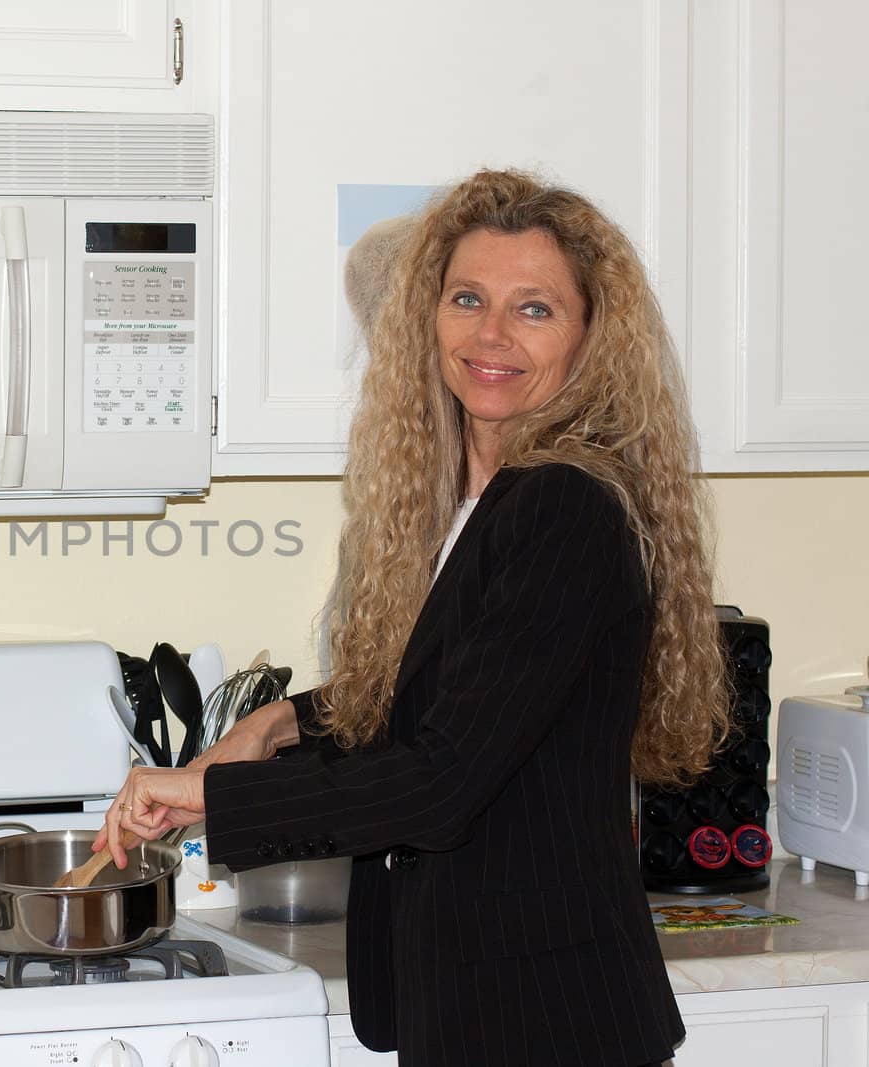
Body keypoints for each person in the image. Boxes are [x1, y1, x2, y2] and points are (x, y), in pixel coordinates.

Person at [95, 168, 730, 1067]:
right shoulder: (470, 499)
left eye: (535, 308)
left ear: (592, 338)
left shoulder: (565, 507)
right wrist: (280, 722)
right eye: (467, 298)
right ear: (426, 315)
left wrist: (211, 793)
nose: (491, 334)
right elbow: (447, 689)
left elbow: (440, 779)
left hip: (548, 1018)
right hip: (477, 1003)